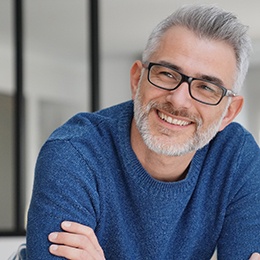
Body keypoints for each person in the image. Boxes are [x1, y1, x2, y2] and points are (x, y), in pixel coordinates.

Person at [26, 4, 260, 260]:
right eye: (167, 74)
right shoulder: (74, 153)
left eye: (206, 88)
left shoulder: (237, 157)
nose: (179, 101)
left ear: (228, 112)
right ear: (138, 79)